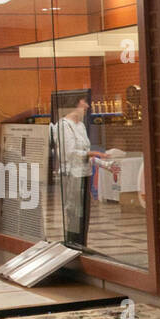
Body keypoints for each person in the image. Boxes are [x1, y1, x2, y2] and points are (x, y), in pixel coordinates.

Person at [54, 95, 116, 242]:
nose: (87, 106)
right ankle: (73, 246)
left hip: (84, 175)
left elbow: (85, 156)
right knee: (75, 215)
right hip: (72, 177)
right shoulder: (63, 126)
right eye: (84, 102)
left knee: (84, 216)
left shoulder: (80, 126)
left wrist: (105, 164)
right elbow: (69, 154)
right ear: (75, 104)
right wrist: (92, 153)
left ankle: (82, 245)